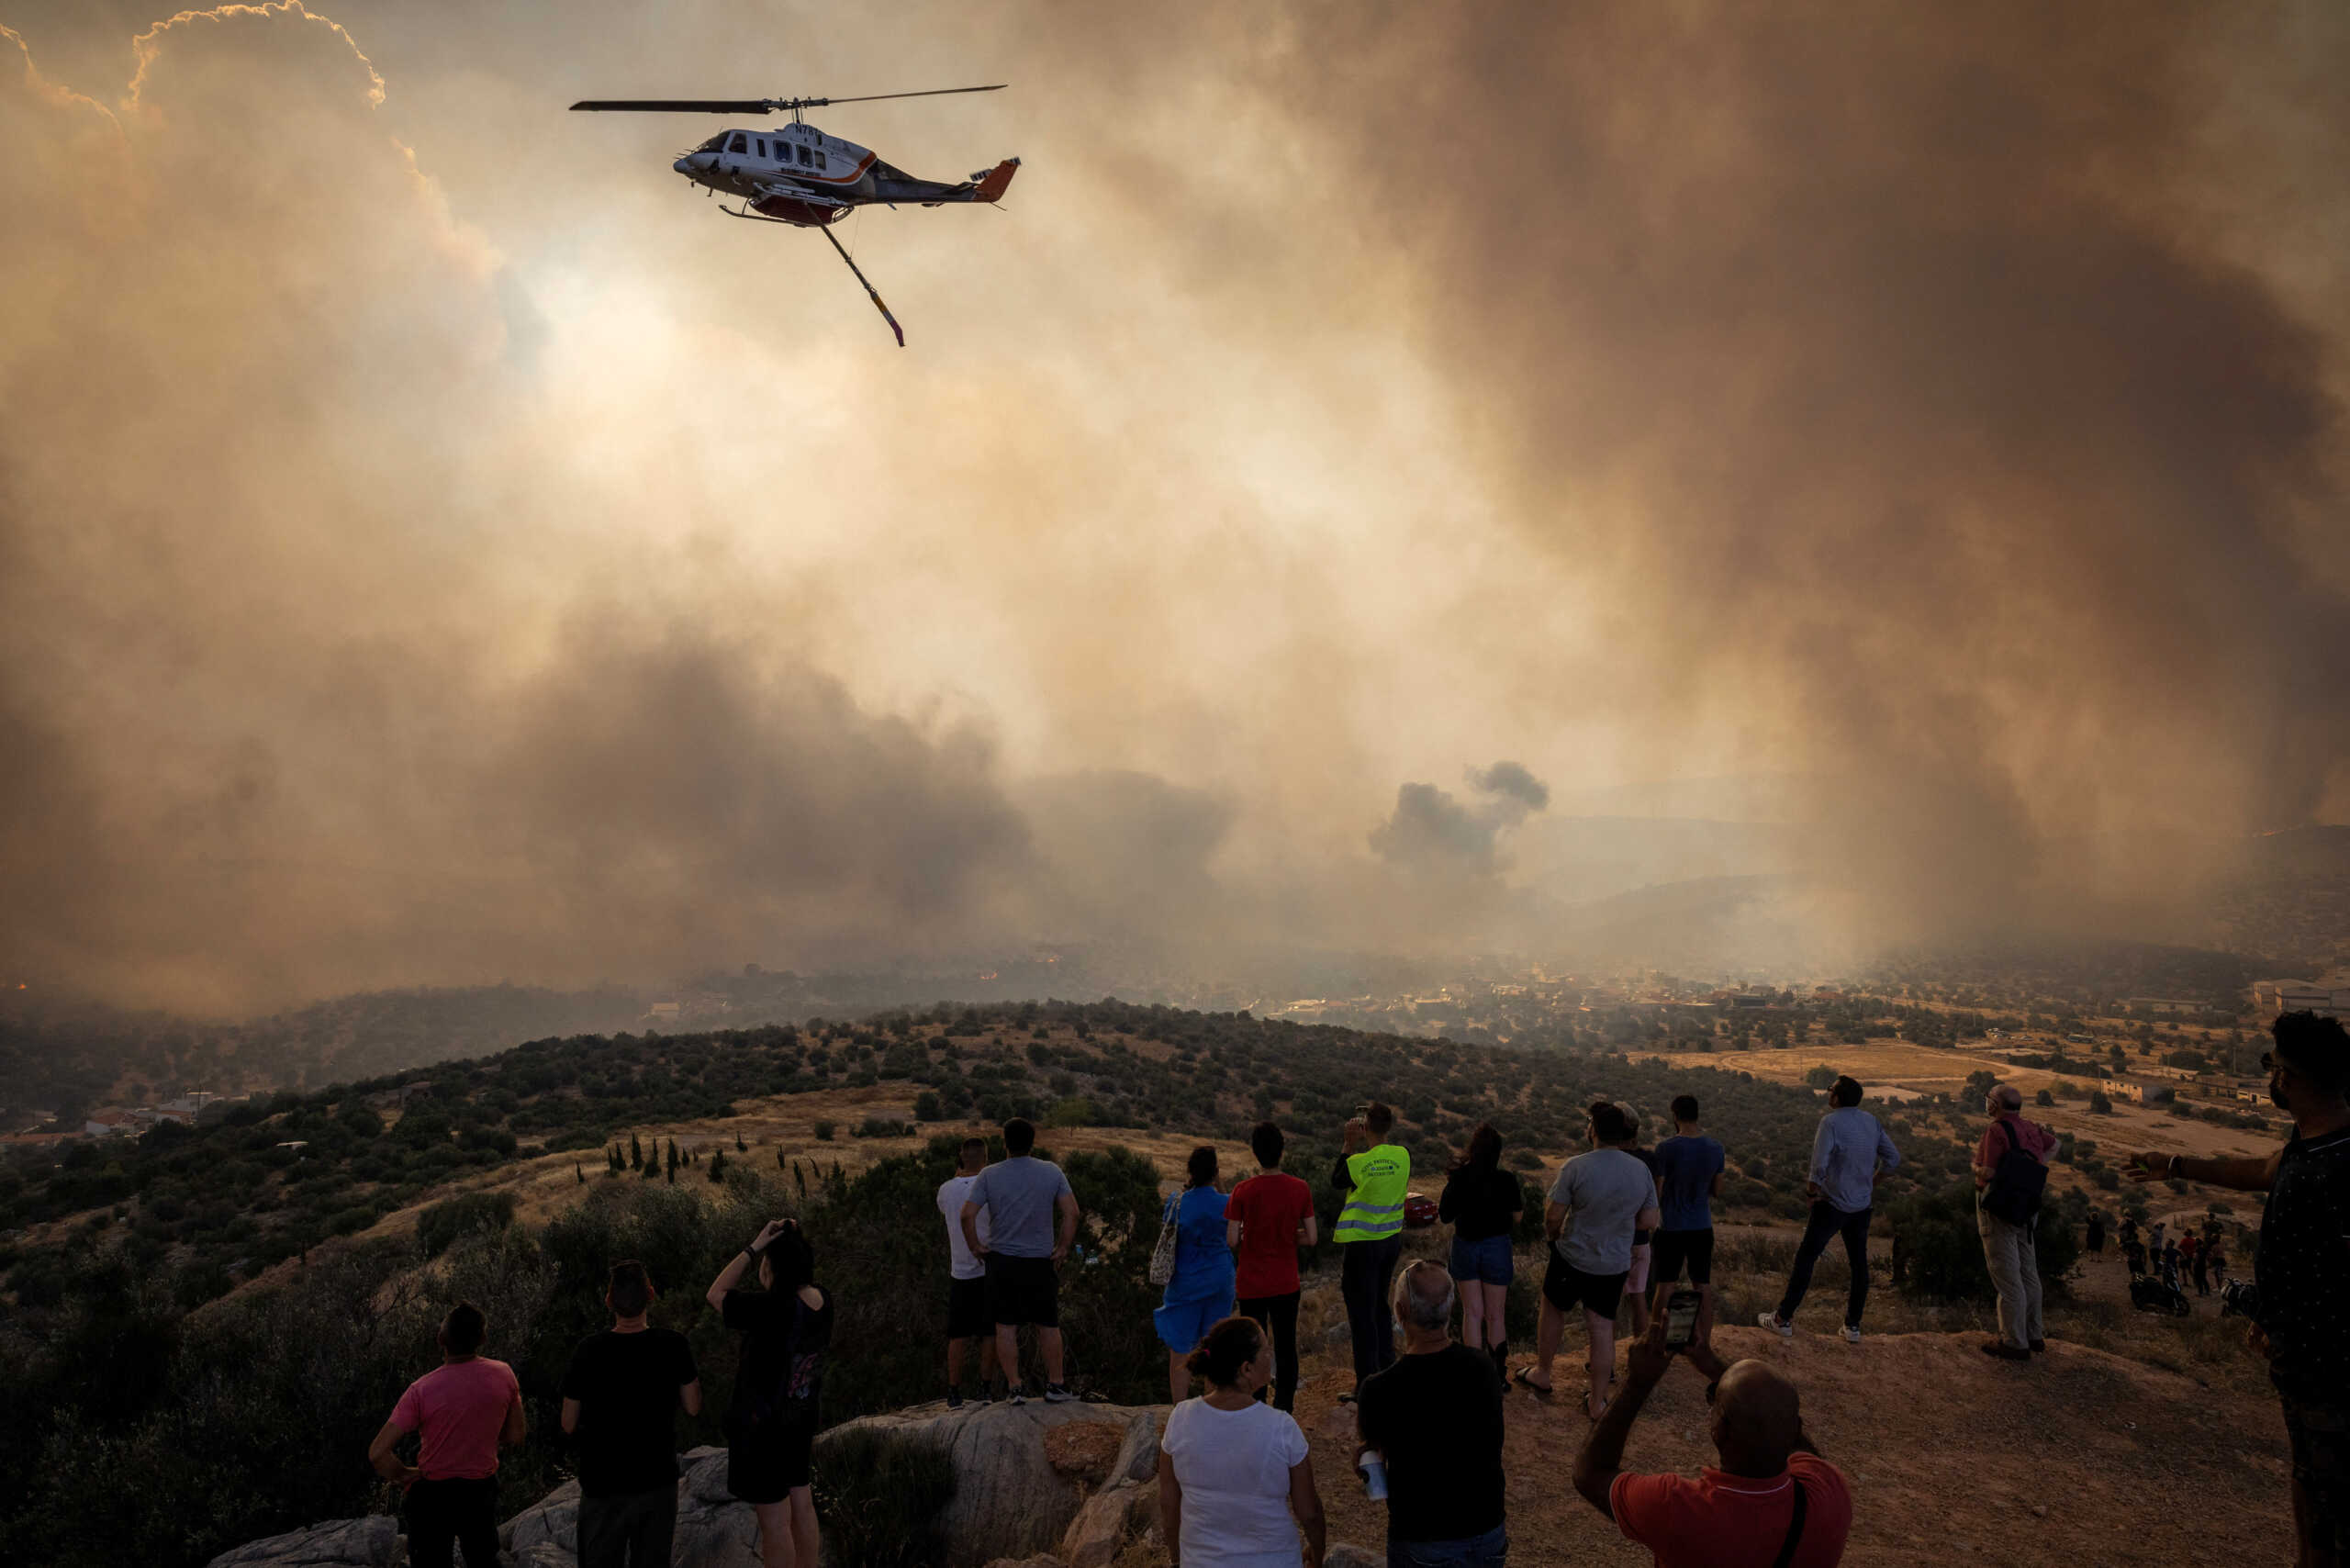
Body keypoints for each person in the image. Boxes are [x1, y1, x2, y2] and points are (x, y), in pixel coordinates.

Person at [2129, 1011, 2350, 1568]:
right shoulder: (2322, 1141)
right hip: (2318, 1349)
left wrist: (2278, 1324)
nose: (2269, 1077)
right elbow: (2261, 1170)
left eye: (2273, 1066)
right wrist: (2175, 1164)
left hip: (2325, 1363)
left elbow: (2317, 1275)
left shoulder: (2320, 1174)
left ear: (2290, 1079)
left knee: (2323, 1493)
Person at [1571, 1312, 1852, 1566]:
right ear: (1796, 1428)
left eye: (1714, 1402)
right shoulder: (1829, 1494)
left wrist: (1637, 1383)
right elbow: (1788, 1430)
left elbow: (1590, 1473)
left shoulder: (1678, 1509)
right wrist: (1712, 1365)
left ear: (1720, 1430)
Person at [1355, 1260, 1509, 1566]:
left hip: (1422, 1537)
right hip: (1487, 1530)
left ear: (1400, 1311)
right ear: (1450, 1310)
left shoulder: (1379, 1389)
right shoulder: (1483, 1368)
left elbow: (1373, 1466)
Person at [708, 1218, 833, 1568]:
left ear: (774, 1268)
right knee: (802, 1504)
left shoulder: (771, 1308)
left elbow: (715, 1294)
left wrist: (755, 1246)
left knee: (775, 1523)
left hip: (762, 1431)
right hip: (800, 1418)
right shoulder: (823, 1300)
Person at [560, 1262, 703, 1568]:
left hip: (602, 1484)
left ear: (608, 1300)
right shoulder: (674, 1344)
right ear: (651, 1295)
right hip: (657, 1481)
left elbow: (567, 1423)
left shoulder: (588, 1350)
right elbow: (693, 1406)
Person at [1522, 1102, 1659, 1419]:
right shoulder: (1640, 1170)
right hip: (1613, 1263)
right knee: (1601, 1327)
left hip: (1573, 1256)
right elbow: (1649, 1219)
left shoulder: (1576, 1166)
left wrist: (1554, 1237)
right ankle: (1597, 1402)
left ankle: (1543, 1373)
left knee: (1553, 1308)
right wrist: (1618, 1222)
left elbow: (1553, 1216)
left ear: (1593, 1130)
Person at [1157, 1315, 1326, 1568]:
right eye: (1266, 1350)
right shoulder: (1281, 1427)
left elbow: (1169, 1505)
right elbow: (1309, 1511)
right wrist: (1317, 1551)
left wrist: (1177, 1559)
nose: (1271, 1355)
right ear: (1247, 1368)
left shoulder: (1180, 1419)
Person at [368, 1302, 527, 1568]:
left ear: (441, 1340)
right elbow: (516, 1435)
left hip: (432, 1496)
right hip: (480, 1491)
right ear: (483, 1339)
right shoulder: (504, 1374)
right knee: (483, 1560)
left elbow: (377, 1453)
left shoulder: (421, 1390)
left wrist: (405, 1474)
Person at [1758, 1075, 1900, 1344]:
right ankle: (1852, 1327)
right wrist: (1873, 1181)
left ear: (1838, 1097)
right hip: (1861, 1206)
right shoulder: (1870, 1121)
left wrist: (1811, 1192)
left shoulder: (1830, 1122)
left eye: (1831, 1089)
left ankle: (1782, 1319)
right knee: (1859, 1264)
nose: (1828, 1092)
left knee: (1806, 1259)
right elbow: (1893, 1159)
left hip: (1832, 1203)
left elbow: (1819, 1164)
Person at [961, 1116, 1081, 1404]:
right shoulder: (1051, 1171)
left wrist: (975, 1246)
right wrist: (1063, 1247)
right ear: (1032, 1142)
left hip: (1002, 1261)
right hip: (1040, 1261)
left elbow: (967, 1215)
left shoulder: (989, 1174)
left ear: (1005, 1143)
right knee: (1048, 1325)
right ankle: (1056, 1385)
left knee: (1005, 1326)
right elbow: (1072, 1213)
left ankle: (1015, 1388)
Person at [1228, 1120, 1318, 1413]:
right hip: (1285, 1282)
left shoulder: (1243, 1190)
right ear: (1282, 1150)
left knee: (1253, 1346)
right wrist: (1289, 1235)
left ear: (1255, 1152)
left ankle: (1255, 1406)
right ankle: (1284, 1408)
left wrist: (1251, 1235)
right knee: (1285, 1345)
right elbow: (1313, 1237)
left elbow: (1231, 1239)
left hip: (1251, 1283)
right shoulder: (1300, 1188)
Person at [1331, 1102, 1410, 1402]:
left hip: (1362, 1245)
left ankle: (1366, 1385)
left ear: (1364, 1129)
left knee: (1361, 1313)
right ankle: (1387, 1370)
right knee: (1379, 1305)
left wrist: (1347, 1144)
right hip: (1390, 1241)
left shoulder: (1358, 1163)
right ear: (1388, 1126)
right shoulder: (1403, 1156)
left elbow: (1336, 1180)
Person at [1971, 1082, 2056, 1361]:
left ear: (1995, 1104)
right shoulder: (2031, 1127)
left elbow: (1988, 1171)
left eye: (1988, 1099)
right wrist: (2036, 1167)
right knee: (2029, 1270)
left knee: (2006, 1275)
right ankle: (2034, 1334)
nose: (1986, 1103)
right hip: (2028, 1205)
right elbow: (2055, 1144)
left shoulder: (1995, 1131)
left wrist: (1974, 1167)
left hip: (1999, 1207)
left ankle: (2014, 1342)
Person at [1438, 1122, 1524, 1382]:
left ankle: (1474, 1376)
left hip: (1466, 1245)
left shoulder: (1460, 1177)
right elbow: (1518, 1217)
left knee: (1472, 1313)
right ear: (1497, 1152)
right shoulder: (1507, 1179)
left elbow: (1444, 1215)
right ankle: (1498, 1376)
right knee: (1495, 1314)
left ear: (1473, 1149)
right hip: (1497, 1246)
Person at [1158, 1146, 1239, 1404]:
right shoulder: (1227, 1203)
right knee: (1214, 1346)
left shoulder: (1176, 1201)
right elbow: (1233, 1225)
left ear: (1190, 1172)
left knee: (1180, 1349)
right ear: (1215, 1173)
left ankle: (1179, 1409)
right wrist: (1220, 1185)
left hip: (1185, 1282)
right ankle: (1211, 1406)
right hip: (1219, 1280)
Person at [1649, 1094, 1726, 1342]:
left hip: (1671, 1227)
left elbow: (1657, 1192)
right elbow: (1717, 1191)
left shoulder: (1665, 1149)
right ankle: (1704, 1342)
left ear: (1675, 1116)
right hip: (1702, 1227)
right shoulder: (1716, 1148)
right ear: (1696, 1115)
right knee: (1702, 1284)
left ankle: (1656, 1341)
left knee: (1665, 1285)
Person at [937, 1136, 999, 1407]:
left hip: (959, 1271)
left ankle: (954, 1391)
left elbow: (946, 1211)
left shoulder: (945, 1190)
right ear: (986, 1159)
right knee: (990, 1333)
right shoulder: (991, 1186)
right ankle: (986, 1390)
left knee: (957, 1335)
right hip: (989, 1269)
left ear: (961, 1158)